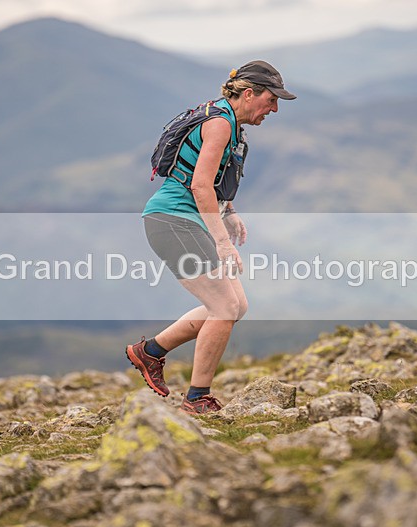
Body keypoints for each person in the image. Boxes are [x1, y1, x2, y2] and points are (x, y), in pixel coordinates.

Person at [126, 60, 296, 414]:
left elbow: (214, 178)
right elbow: (200, 184)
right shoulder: (220, 124)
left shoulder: (228, 121)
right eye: (271, 99)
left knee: (237, 306)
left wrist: (229, 212)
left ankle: (151, 352)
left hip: (183, 221)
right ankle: (197, 397)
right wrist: (222, 241)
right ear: (248, 94)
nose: (275, 108)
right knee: (224, 307)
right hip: (172, 221)